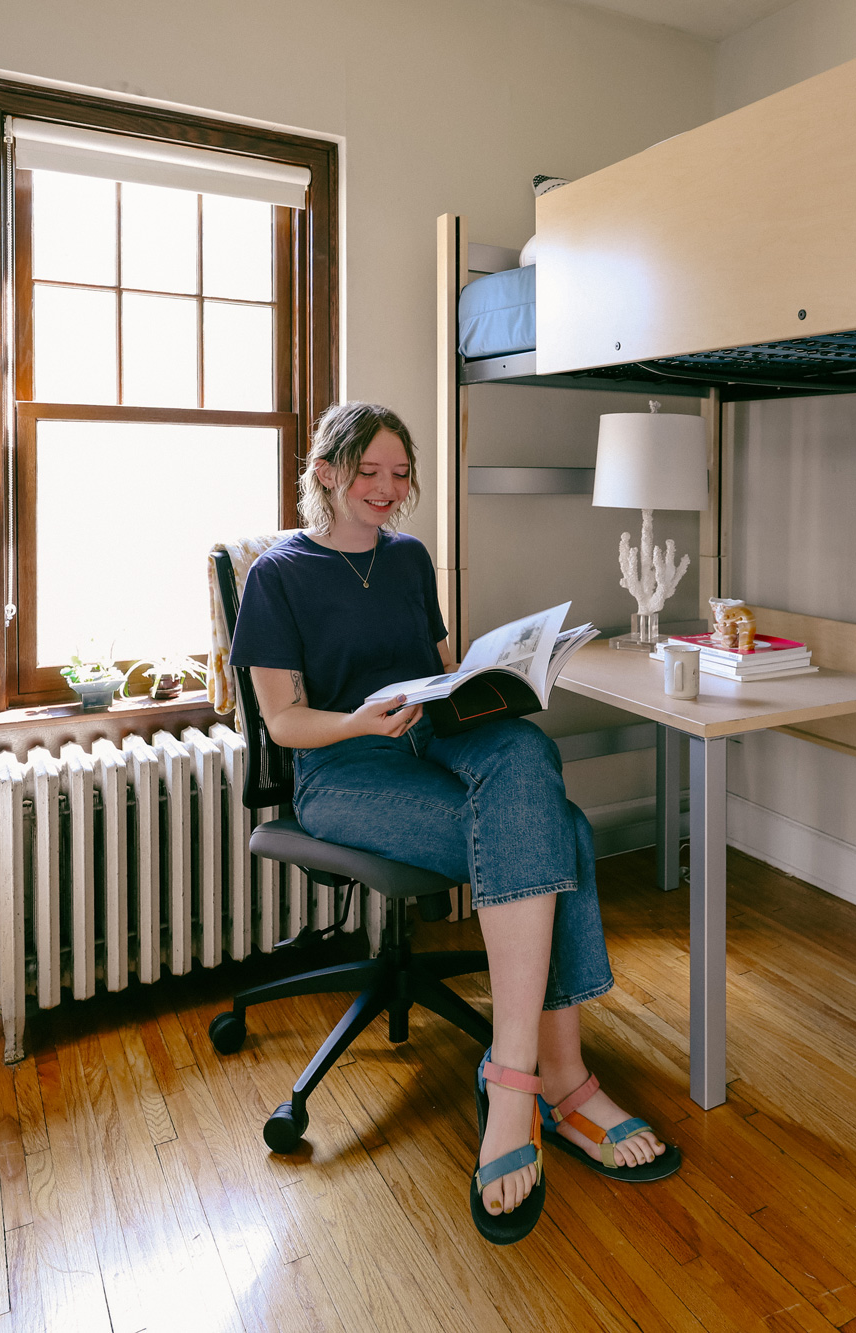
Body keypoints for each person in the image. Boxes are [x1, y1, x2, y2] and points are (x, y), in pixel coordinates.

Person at [230, 401, 677, 1244]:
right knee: (567, 834)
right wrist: (362, 721)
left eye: (401, 475)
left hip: (431, 737)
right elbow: (285, 721)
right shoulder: (278, 574)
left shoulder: (408, 559)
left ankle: (519, 1076)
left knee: (522, 754)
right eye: (369, 472)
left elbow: (442, 671)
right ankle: (555, 1080)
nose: (389, 490)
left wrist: (492, 684)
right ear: (325, 470)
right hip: (343, 768)